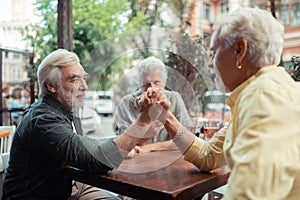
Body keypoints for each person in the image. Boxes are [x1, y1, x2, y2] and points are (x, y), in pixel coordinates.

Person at [138, 7, 300, 199]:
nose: (209, 63)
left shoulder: (263, 99)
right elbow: (207, 156)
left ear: (240, 50)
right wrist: (166, 116)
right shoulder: (267, 92)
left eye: (213, 52)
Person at [2, 49, 166, 200]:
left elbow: (87, 147)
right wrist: (143, 121)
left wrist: (150, 122)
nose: (84, 86)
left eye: (84, 78)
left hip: (66, 184)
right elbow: (97, 160)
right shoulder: (44, 119)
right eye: (74, 79)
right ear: (50, 86)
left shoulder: (67, 109)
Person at [116, 56, 192, 154]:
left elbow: (187, 139)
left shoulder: (174, 99)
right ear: (139, 82)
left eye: (157, 82)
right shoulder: (126, 103)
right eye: (146, 83)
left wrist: (148, 148)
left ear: (164, 82)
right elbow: (123, 146)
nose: (151, 88)